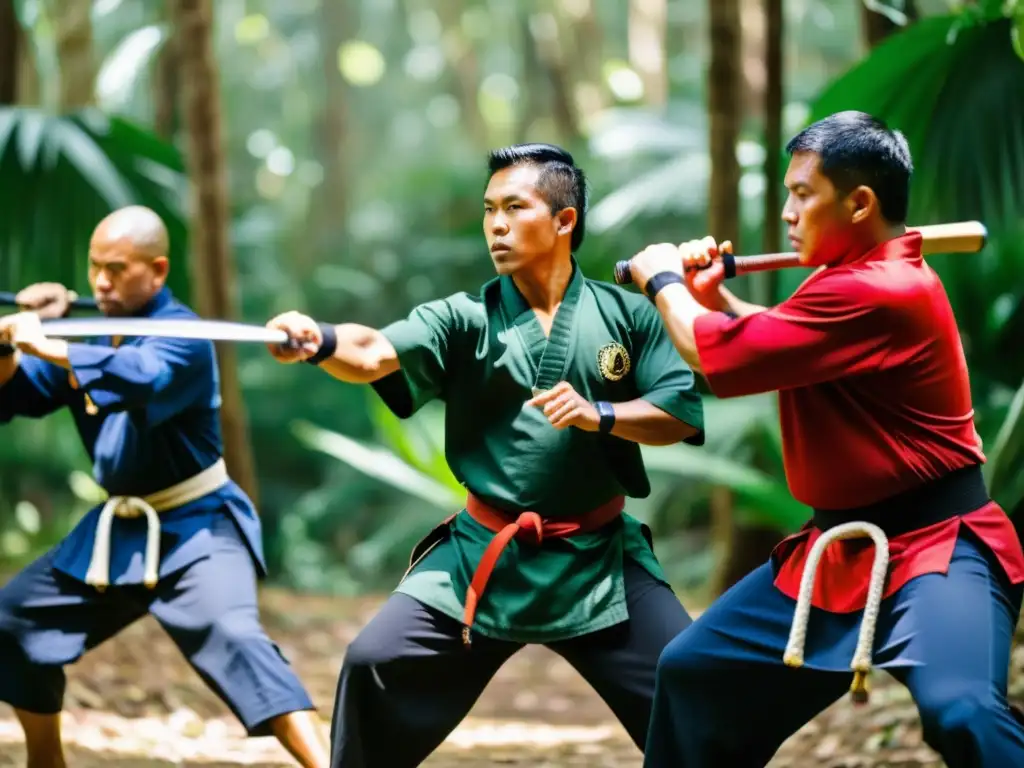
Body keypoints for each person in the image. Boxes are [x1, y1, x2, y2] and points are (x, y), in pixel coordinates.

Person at [265, 143, 706, 767]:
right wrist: (320, 341)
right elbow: (372, 352)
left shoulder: (630, 316)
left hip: (598, 557)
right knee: (374, 663)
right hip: (484, 554)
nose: (496, 225)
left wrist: (597, 413)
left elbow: (677, 415)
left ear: (563, 220)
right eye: (488, 210)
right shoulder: (463, 317)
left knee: (693, 686)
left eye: (514, 208)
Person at [623, 110, 1024, 767]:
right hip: (836, 556)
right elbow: (783, 343)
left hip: (938, 549)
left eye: (802, 194)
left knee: (965, 712)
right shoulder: (848, 285)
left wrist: (664, 280)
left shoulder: (882, 289)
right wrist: (714, 299)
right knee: (696, 674)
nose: (787, 212)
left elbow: (709, 350)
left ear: (860, 202)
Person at [0, 206, 329, 768]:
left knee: (232, 636)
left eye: (118, 269)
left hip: (198, 526)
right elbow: (14, 396)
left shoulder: (183, 336)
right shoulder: (89, 333)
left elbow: (136, 378)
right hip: (117, 530)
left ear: (156, 270)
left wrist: (48, 341)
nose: (100, 282)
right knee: (12, 622)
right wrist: (9, 343)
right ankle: (45, 762)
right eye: (94, 267)